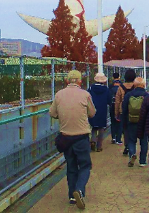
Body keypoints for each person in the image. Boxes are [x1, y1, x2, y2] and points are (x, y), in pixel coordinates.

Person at [49, 70, 96, 210]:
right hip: (81, 137)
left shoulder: (59, 95)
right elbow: (92, 113)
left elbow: (52, 113)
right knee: (85, 165)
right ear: (80, 81)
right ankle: (80, 190)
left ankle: (71, 196)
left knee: (71, 166)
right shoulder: (85, 94)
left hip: (66, 137)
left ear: (66, 81)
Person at [122, 77, 149, 167]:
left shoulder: (128, 95)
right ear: (144, 85)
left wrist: (124, 122)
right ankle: (142, 161)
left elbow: (124, 109)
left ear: (134, 84)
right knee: (144, 141)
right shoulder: (147, 96)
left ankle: (132, 155)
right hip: (144, 122)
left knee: (131, 140)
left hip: (131, 121)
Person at [115, 69, 136, 155]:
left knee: (125, 130)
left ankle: (127, 145)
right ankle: (132, 146)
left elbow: (117, 101)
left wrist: (116, 113)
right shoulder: (136, 86)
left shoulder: (120, 87)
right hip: (134, 111)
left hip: (123, 111)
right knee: (134, 129)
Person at [88, 73, 110, 152]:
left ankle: (93, 140)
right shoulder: (106, 89)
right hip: (102, 109)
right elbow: (109, 100)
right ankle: (99, 146)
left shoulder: (90, 88)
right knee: (101, 128)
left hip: (92, 108)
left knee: (94, 126)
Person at [108, 73, 123, 144]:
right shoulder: (122, 86)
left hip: (112, 105)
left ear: (113, 77)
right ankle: (118, 139)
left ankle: (113, 137)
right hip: (120, 105)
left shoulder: (110, 86)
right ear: (119, 77)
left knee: (113, 122)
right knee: (119, 122)